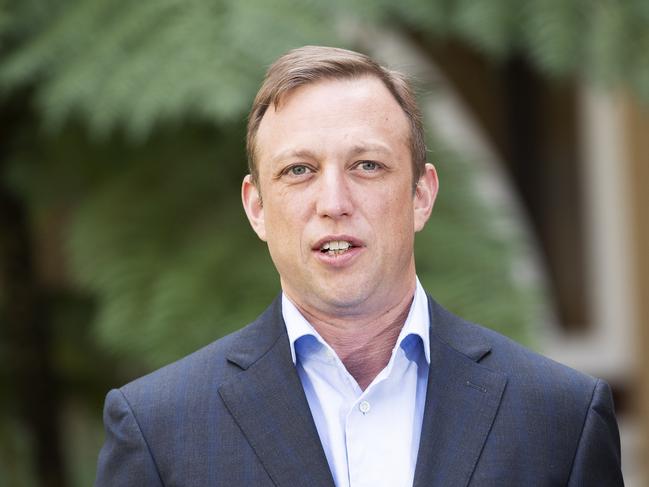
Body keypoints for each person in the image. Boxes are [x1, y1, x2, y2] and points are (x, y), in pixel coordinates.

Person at [95, 46, 623, 486]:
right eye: (299, 170)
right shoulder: (159, 430)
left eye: (366, 165)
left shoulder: (560, 418)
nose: (334, 201)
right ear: (257, 208)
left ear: (421, 194)